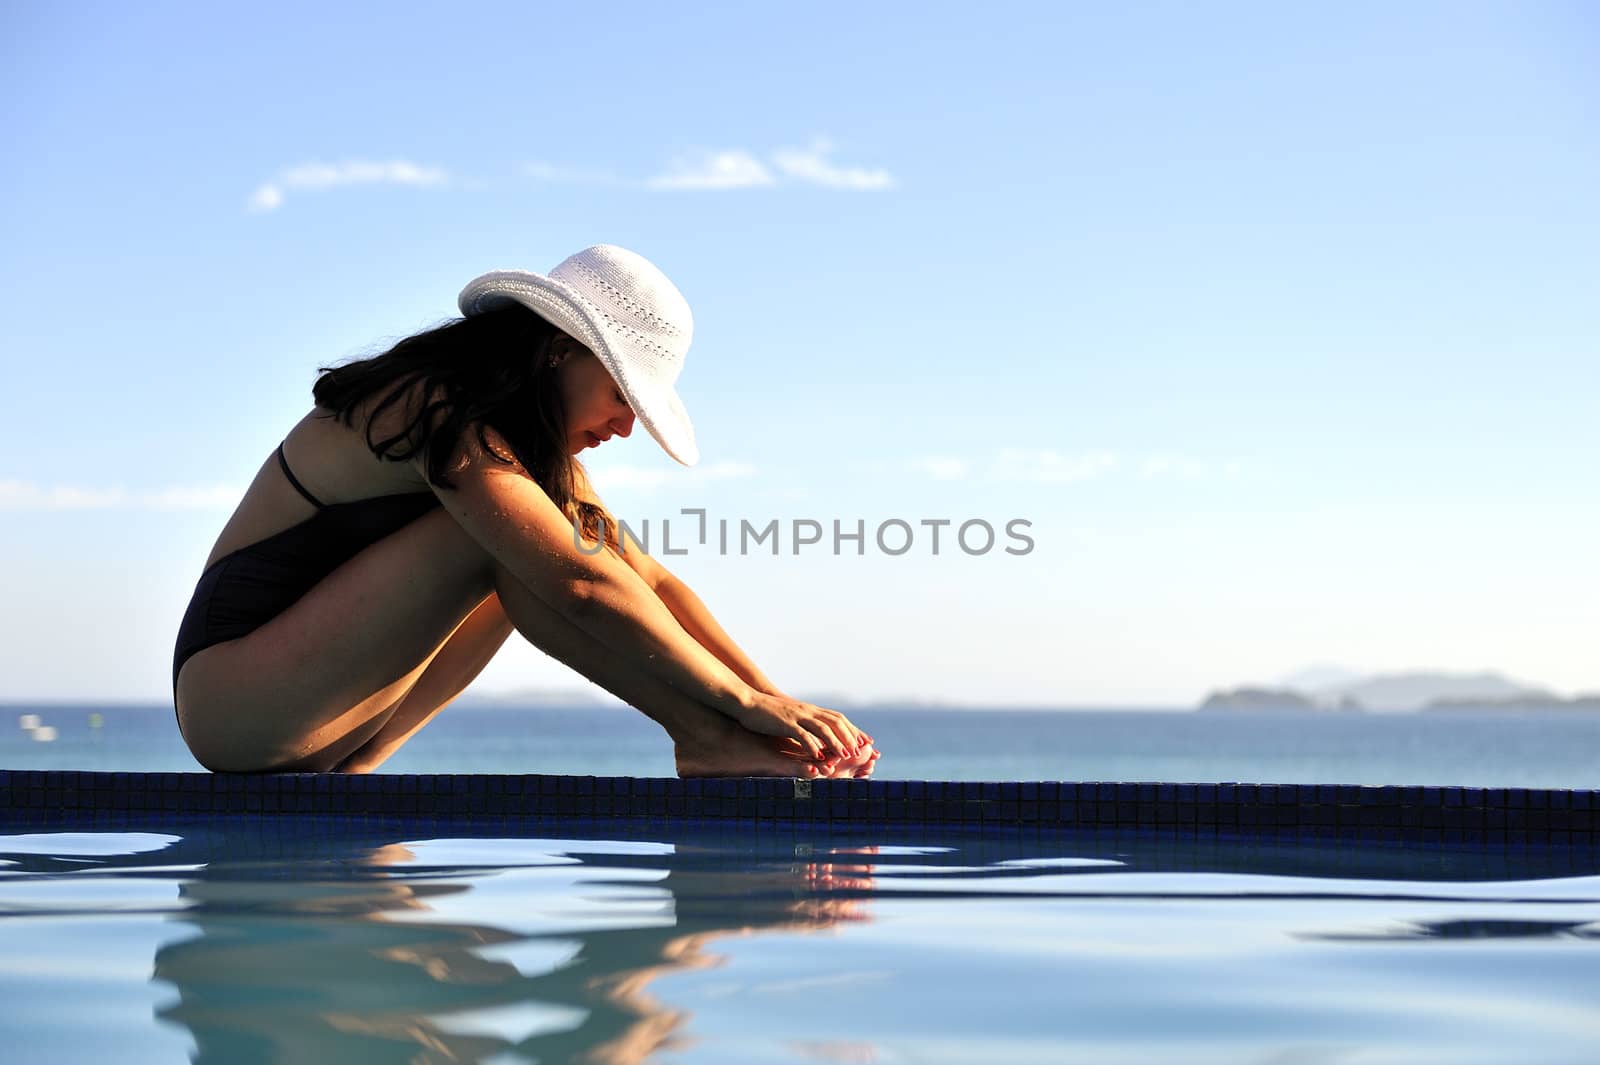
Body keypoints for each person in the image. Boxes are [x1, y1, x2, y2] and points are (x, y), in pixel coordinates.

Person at [172, 244, 879, 778]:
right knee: (517, 546)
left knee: (550, 545)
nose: (627, 427)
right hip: (232, 698)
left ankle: (716, 741)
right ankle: (704, 740)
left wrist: (779, 711)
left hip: (319, 719)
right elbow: (580, 582)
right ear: (560, 350)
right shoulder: (430, 404)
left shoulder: (527, 460)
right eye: (621, 396)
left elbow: (649, 582)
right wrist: (734, 710)